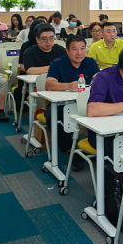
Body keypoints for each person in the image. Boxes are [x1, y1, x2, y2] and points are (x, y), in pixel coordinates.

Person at [45, 35, 100, 170]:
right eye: (75, 49)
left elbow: (98, 78)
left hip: (86, 103)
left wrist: (97, 81)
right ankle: (70, 151)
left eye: (82, 49)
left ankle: (99, 148)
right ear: (67, 50)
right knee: (52, 118)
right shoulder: (57, 63)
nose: (79, 53)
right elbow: (49, 84)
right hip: (62, 104)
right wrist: (67, 86)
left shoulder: (90, 62)